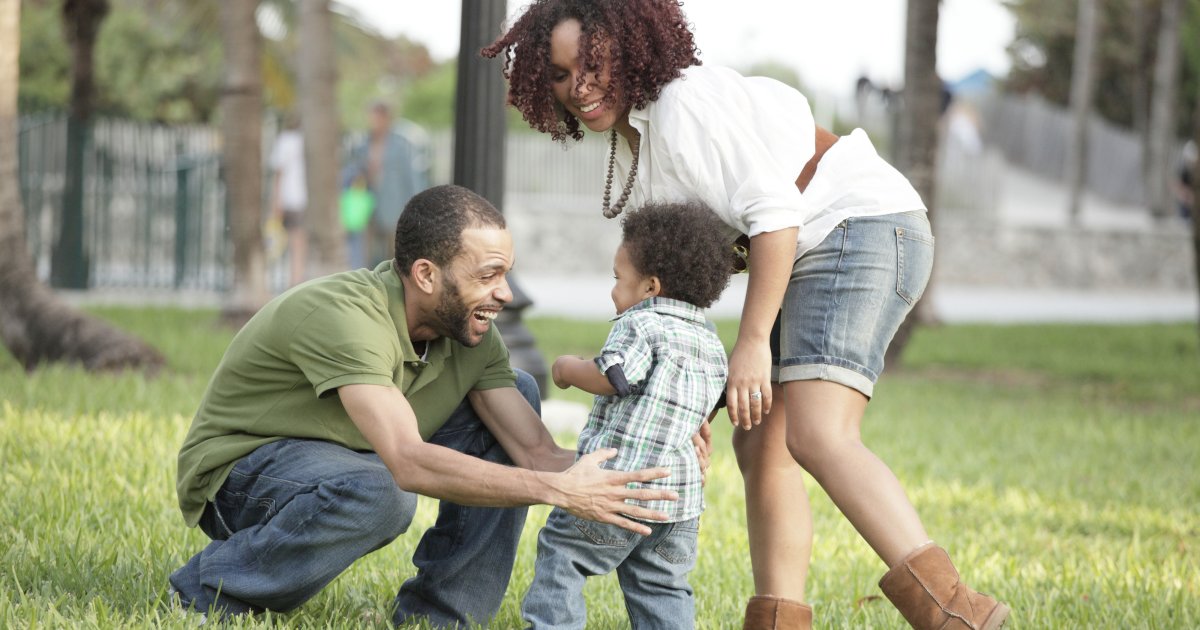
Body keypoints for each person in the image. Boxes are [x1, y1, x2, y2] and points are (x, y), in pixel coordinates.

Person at [484, 2, 1010, 629]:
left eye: (592, 64)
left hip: (857, 227)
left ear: (628, 49)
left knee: (817, 432)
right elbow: (674, 299)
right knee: (760, 439)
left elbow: (776, 214)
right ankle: (777, 622)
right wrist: (682, 407)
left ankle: (956, 614)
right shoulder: (642, 138)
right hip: (818, 243)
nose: (580, 87)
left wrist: (754, 340)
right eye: (563, 75)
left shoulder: (681, 105)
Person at [169, 184, 683, 628]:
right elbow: (408, 462)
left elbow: (537, 454)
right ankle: (209, 590)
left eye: (507, 274)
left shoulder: (472, 337)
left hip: (352, 457)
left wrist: (659, 466)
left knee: (519, 392)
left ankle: (442, 617)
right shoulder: (345, 316)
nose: (504, 293)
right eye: (488, 274)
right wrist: (557, 491)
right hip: (242, 475)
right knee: (382, 493)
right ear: (425, 274)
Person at [521, 202, 731, 629]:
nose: (614, 292)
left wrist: (567, 368)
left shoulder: (641, 325)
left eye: (618, 280)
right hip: (678, 505)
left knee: (563, 557)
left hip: (615, 487)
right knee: (662, 586)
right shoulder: (711, 342)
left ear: (650, 287)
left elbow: (612, 376)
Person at [341, 101, 430, 269]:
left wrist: (417, 206)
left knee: (393, 252)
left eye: (377, 117)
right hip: (368, 206)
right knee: (367, 253)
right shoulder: (362, 145)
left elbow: (412, 178)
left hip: (395, 207)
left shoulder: (401, 146)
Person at [268, 114, 307, 286]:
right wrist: (277, 201)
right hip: (293, 198)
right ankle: (295, 280)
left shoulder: (292, 140)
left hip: (297, 198)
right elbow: (279, 173)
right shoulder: (288, 140)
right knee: (295, 242)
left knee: (297, 242)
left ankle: (296, 279)